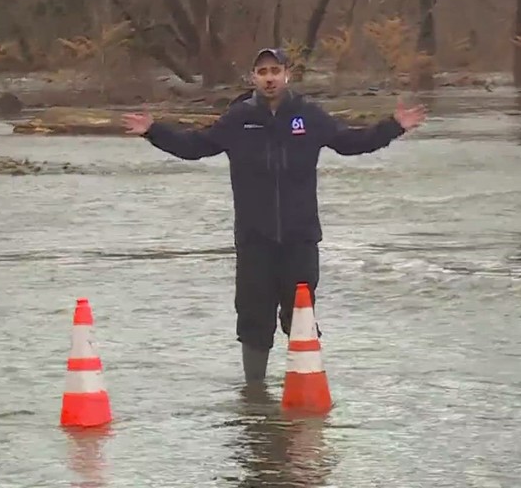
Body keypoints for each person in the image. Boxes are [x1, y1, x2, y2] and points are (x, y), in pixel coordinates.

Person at [122, 48, 427, 384]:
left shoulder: (309, 116)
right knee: (254, 317)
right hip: (255, 239)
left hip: (300, 236)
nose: (269, 77)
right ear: (254, 77)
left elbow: (351, 142)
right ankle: (255, 395)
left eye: (275, 70)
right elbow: (195, 146)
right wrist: (154, 131)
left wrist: (393, 127)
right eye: (262, 71)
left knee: (301, 314)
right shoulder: (239, 119)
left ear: (287, 75)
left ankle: (307, 384)